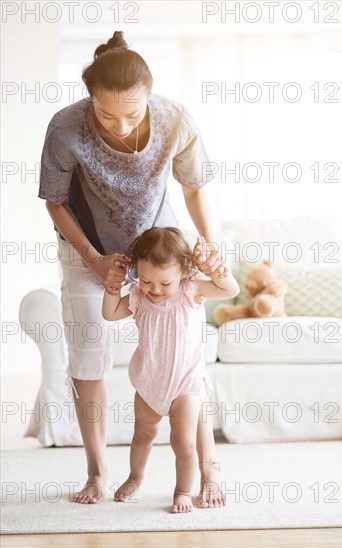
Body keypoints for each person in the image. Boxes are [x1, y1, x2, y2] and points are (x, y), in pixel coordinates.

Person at [39, 29, 227, 506]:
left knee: (186, 356)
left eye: (132, 112)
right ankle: (98, 472)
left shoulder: (175, 120)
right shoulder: (65, 128)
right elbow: (56, 203)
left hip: (157, 246)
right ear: (89, 101)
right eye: (106, 114)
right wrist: (95, 260)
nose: (119, 126)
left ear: (149, 95)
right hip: (87, 245)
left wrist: (210, 247)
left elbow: (194, 190)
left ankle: (209, 470)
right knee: (89, 348)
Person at [102, 227, 240, 513]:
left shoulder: (191, 289)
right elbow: (111, 313)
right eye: (147, 279)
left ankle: (181, 491)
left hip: (185, 385)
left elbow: (230, 290)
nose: (154, 289)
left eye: (164, 283)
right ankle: (135, 476)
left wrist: (214, 269)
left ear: (183, 272)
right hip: (150, 382)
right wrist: (112, 290)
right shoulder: (139, 295)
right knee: (142, 435)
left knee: (184, 441)